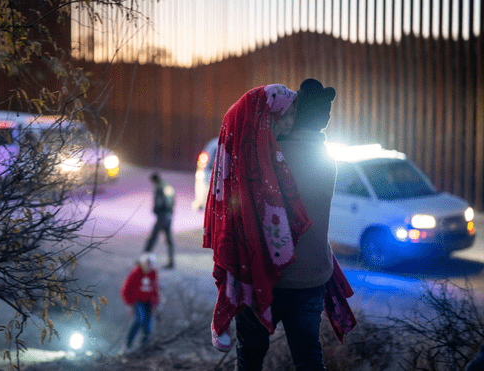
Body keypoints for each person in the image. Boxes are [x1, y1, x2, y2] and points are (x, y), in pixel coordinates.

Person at [203, 82, 356, 371]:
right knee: (309, 357)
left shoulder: (267, 155)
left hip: (263, 275)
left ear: (295, 116)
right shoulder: (328, 161)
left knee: (249, 356)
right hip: (311, 276)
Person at [121, 253, 159, 351]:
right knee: (139, 320)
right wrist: (128, 304)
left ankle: (144, 348)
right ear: (143, 263)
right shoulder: (136, 273)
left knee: (148, 326)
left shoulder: (153, 273)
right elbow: (125, 289)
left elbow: (155, 289)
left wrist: (156, 303)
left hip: (149, 302)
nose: (149, 266)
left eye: (151, 264)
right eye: (147, 264)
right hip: (137, 301)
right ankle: (128, 345)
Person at [144, 172, 176, 269]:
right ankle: (171, 261)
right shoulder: (166, 186)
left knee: (153, 238)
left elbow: (164, 202)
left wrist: (157, 209)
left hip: (163, 216)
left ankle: (144, 259)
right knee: (168, 239)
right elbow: (172, 200)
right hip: (168, 216)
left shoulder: (160, 188)